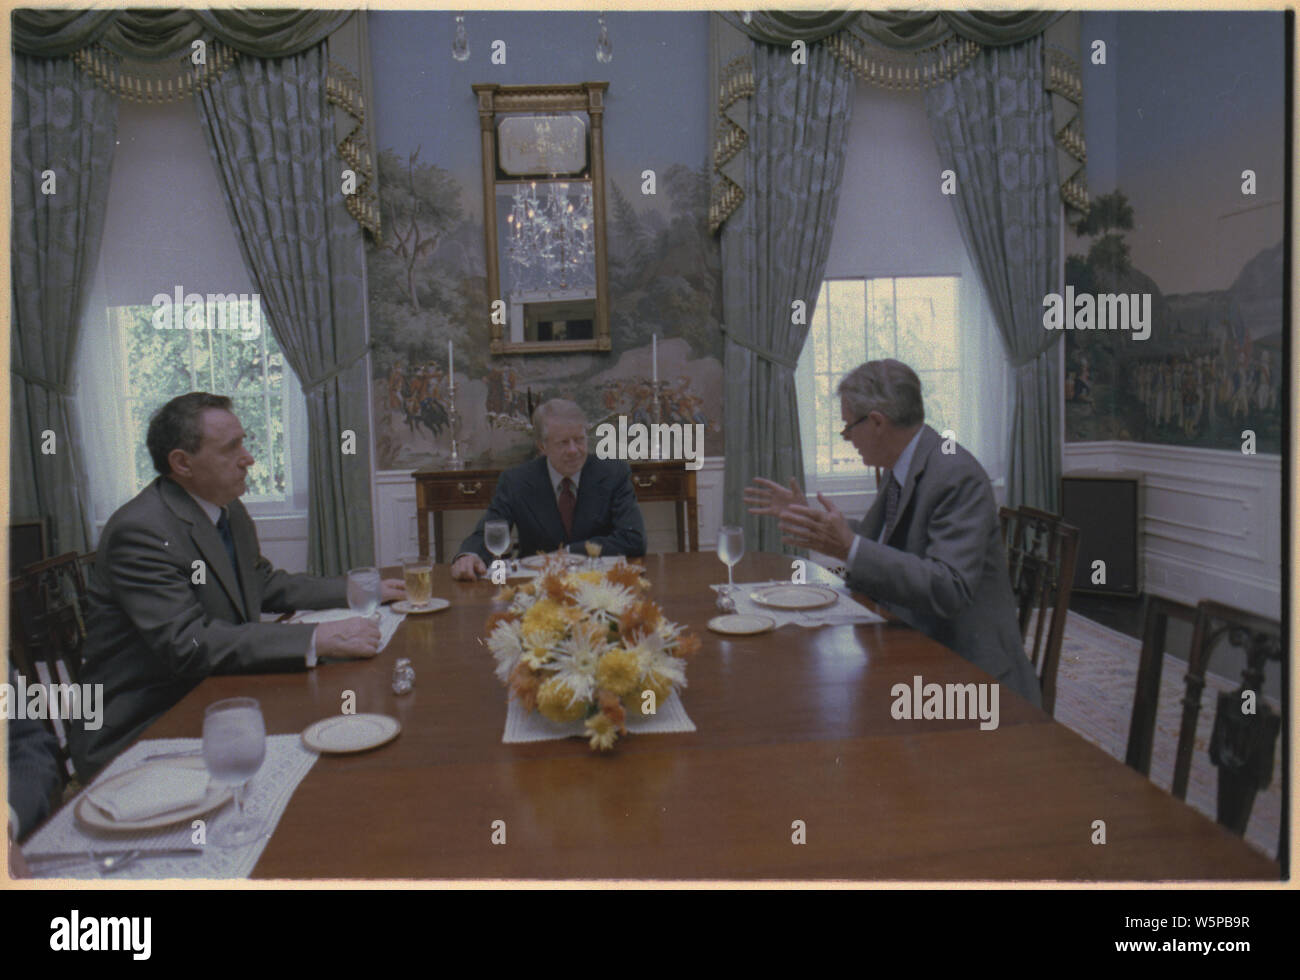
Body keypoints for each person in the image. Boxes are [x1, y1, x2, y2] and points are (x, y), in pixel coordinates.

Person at [70, 393, 404, 779]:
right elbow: (188, 644)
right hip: (145, 723)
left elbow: (260, 583)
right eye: (232, 448)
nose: (248, 458)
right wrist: (315, 638)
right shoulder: (141, 531)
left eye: (244, 443)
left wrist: (357, 591)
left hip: (213, 695)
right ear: (181, 463)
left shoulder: (227, 508)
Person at [744, 359, 1042, 706]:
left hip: (970, 677)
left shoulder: (955, 474)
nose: (847, 439)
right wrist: (814, 521)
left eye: (848, 428)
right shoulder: (904, 465)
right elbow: (879, 544)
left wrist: (848, 546)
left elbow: (949, 587)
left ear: (876, 422)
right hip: (922, 646)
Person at [451, 398, 646, 580]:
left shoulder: (613, 473)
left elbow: (634, 539)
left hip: (600, 584)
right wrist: (469, 555)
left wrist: (570, 553)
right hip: (536, 586)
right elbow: (492, 530)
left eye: (579, 440)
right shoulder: (516, 480)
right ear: (542, 446)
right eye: (563, 443)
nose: (573, 450)